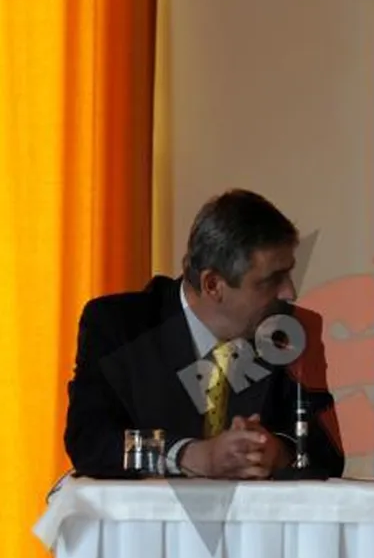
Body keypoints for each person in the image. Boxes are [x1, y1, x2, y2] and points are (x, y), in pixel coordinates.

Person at [64, 189, 345, 479]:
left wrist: (278, 453)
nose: (289, 292)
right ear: (212, 285)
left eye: (288, 274)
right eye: (272, 280)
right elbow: (90, 441)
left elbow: (328, 454)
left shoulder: (291, 329)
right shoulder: (119, 325)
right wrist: (189, 455)